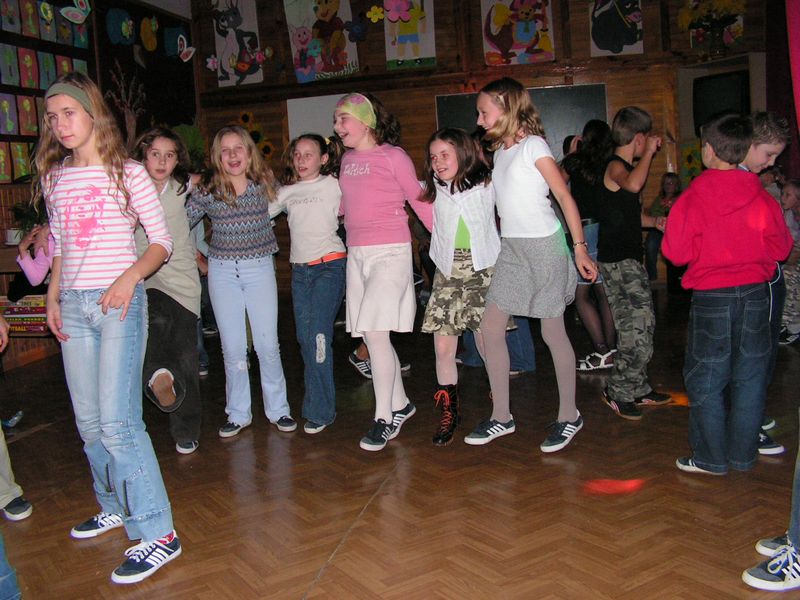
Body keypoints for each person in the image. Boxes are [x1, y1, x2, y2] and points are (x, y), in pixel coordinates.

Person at [37, 72, 180, 584]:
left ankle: (159, 533)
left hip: (119, 303)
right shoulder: (55, 177)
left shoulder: (128, 173)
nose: (60, 124)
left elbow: (161, 242)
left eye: (68, 113)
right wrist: (52, 295)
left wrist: (129, 278)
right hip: (74, 306)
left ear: (92, 112)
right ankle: (115, 504)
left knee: (120, 424)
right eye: (52, 117)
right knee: (90, 423)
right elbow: (59, 244)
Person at [466, 77, 596, 452]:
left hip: (544, 248)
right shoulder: (501, 152)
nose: (479, 119)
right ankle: (502, 416)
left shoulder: (533, 146)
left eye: (484, 112)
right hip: (513, 250)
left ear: (506, 107)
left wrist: (580, 249)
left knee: (552, 333)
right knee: (490, 327)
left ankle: (570, 415)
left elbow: (564, 196)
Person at [662, 114, 792, 475]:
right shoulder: (762, 198)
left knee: (706, 377)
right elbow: (781, 249)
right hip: (755, 296)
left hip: (712, 298)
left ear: (708, 150)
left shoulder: (692, 198)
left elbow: (676, 254)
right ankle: (742, 456)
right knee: (750, 377)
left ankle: (711, 458)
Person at [333, 92, 432, 451]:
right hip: (357, 255)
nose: (337, 126)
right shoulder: (347, 161)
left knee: (375, 334)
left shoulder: (394, 156)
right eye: (335, 120)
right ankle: (401, 404)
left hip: (390, 253)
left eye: (343, 119)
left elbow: (420, 200)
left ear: (366, 121)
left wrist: (445, 243)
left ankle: (383, 418)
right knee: (375, 336)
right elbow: (345, 205)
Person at [186, 125, 295, 438]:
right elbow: (179, 225)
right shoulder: (208, 189)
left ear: (249, 153)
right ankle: (237, 413)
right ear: (217, 156)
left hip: (259, 269)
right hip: (222, 273)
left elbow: (296, 202)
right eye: (225, 150)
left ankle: (279, 410)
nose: (233, 155)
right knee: (232, 348)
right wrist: (198, 260)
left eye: (238, 149)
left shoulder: (265, 183)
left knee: (267, 344)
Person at [418, 127, 498, 446]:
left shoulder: (487, 183)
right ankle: (450, 412)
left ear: (463, 153)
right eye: (433, 157)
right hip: (449, 272)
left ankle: (500, 405)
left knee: (487, 343)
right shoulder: (434, 189)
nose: (438, 162)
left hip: (483, 269)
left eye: (444, 155)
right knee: (442, 348)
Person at [597, 106, 671, 421]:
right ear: (639, 138)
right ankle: (618, 390)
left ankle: (637, 386)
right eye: (647, 139)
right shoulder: (616, 166)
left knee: (642, 326)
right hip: (618, 264)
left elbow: (628, 215)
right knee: (636, 329)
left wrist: (654, 221)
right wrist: (650, 154)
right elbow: (633, 185)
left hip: (627, 261)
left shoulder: (625, 169)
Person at [132, 127, 203, 455]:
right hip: (146, 275)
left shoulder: (182, 186)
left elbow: (217, 182)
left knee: (186, 354)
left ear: (177, 160)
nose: (162, 161)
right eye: (155, 154)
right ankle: (157, 375)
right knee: (155, 326)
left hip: (183, 279)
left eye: (169, 155)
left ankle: (186, 430)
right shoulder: (128, 188)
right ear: (143, 156)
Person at [271, 133, 346, 434]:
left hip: (329, 266)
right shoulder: (286, 192)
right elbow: (257, 216)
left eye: (309, 154)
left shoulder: (334, 185)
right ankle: (316, 403)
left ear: (324, 159)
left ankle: (321, 411)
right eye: (297, 154)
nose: (301, 160)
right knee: (305, 338)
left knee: (318, 337)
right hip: (300, 273)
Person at [740, 112, 792, 454]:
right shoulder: (748, 189)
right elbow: (781, 248)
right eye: (768, 154)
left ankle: (751, 414)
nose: (771, 163)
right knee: (758, 354)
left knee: (753, 353)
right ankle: (749, 422)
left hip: (751, 280)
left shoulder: (745, 182)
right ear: (749, 144)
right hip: (760, 279)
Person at [561, 119, 617, 371]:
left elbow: (555, 183)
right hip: (606, 229)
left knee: (581, 295)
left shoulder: (576, 162)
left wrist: (571, 155)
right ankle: (611, 351)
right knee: (604, 292)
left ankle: (602, 350)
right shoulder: (610, 162)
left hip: (584, 231)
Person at [643, 172, 681, 282]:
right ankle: (651, 277)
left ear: (676, 185)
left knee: (675, 246)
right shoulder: (659, 199)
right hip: (658, 229)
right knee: (650, 244)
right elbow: (652, 213)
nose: (668, 185)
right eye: (666, 183)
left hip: (674, 230)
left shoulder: (680, 198)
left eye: (671, 183)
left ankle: (675, 277)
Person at [778, 180, 800, 346]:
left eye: (788, 195)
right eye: (782, 194)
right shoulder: (789, 215)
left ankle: (791, 325)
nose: (783, 198)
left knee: (790, 275)